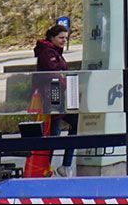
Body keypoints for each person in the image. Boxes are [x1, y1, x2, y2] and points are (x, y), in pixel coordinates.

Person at [34, 24, 77, 178]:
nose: (64, 41)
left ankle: (64, 165)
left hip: (59, 96)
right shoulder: (47, 53)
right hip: (52, 96)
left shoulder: (55, 52)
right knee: (54, 131)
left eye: (66, 38)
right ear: (52, 38)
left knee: (71, 125)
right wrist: (67, 81)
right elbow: (54, 75)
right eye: (61, 38)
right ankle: (48, 168)